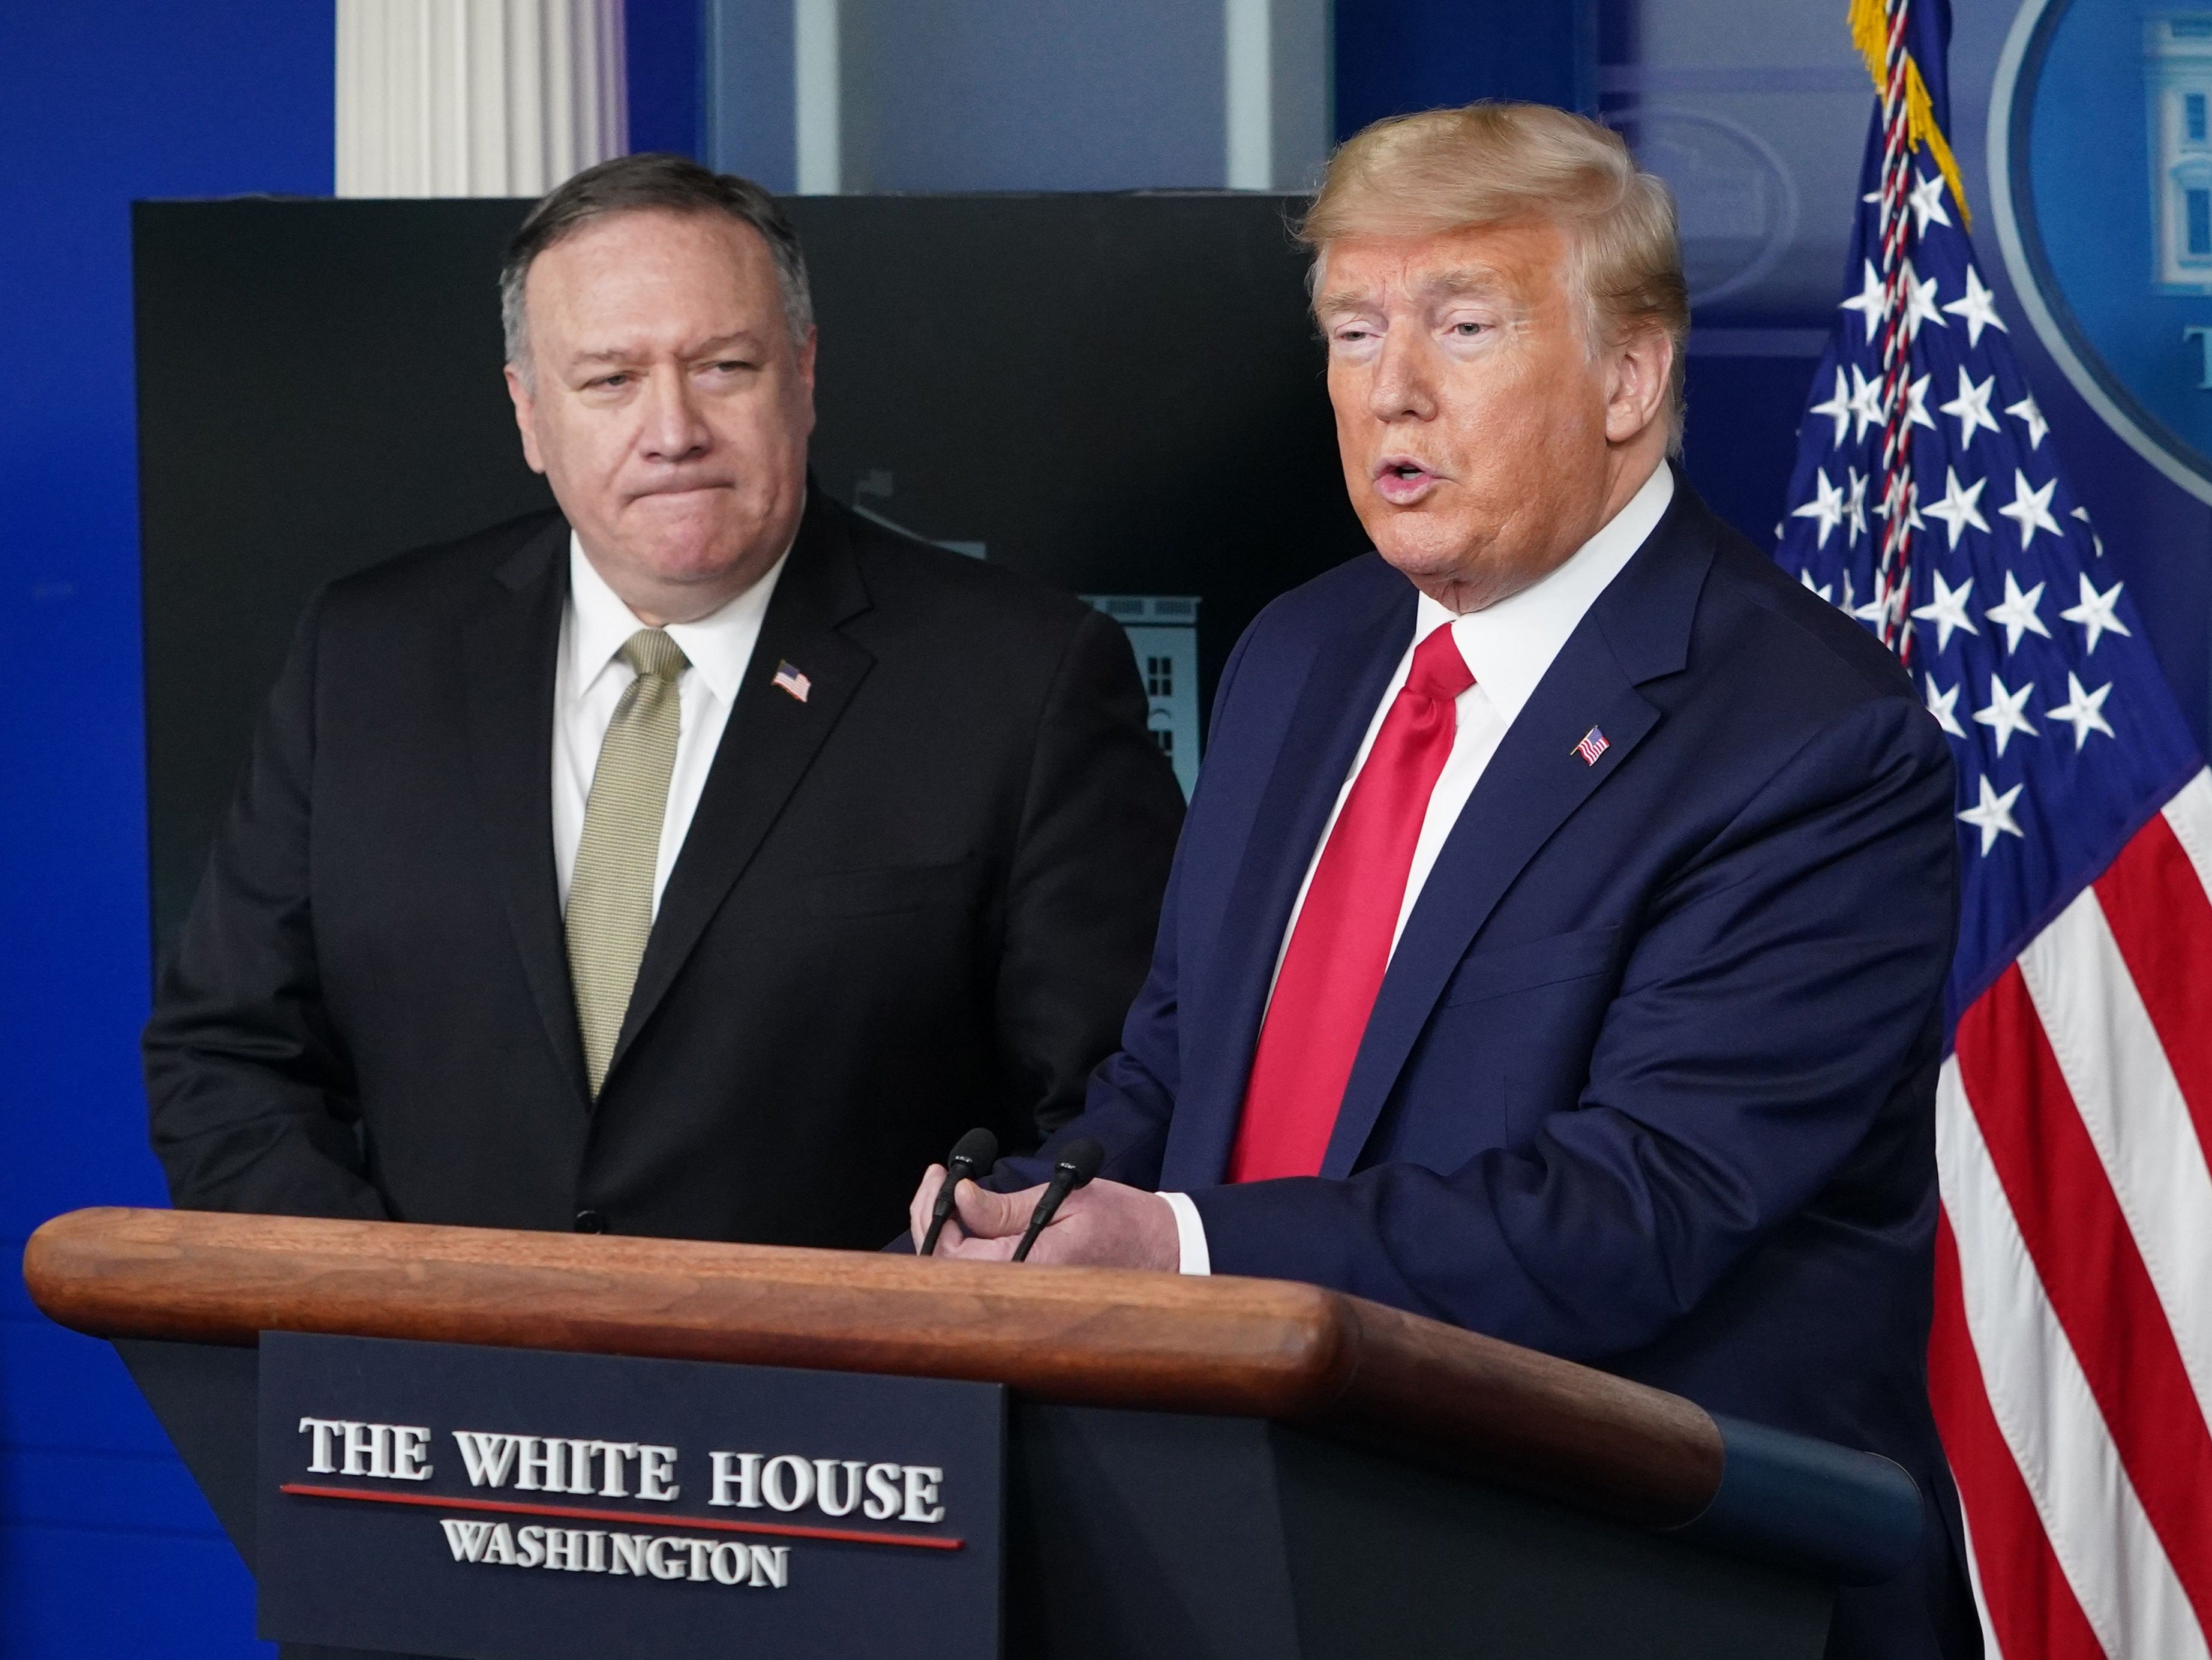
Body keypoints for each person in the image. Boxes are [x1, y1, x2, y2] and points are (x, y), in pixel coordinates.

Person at [911, 106, 1976, 1659]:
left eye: (1463, 327)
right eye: (1354, 331)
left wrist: (1178, 1251)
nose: (1390, 389)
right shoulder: (1302, 651)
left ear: (1629, 378)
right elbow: (1178, 1062)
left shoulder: (1811, 740)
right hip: (1252, 1542)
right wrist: (1033, 1212)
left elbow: (1638, 1206)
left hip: (1640, 1589)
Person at [145, 154, 1184, 1250]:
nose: (674, 429)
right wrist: (370, 1308)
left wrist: (894, 1310)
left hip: (856, 1354)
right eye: (610, 380)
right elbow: (231, 1056)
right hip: (415, 1354)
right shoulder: (366, 657)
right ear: (529, 413)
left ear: (804, 374)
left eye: (724, 366)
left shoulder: (1022, 678)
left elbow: (1118, 1103)